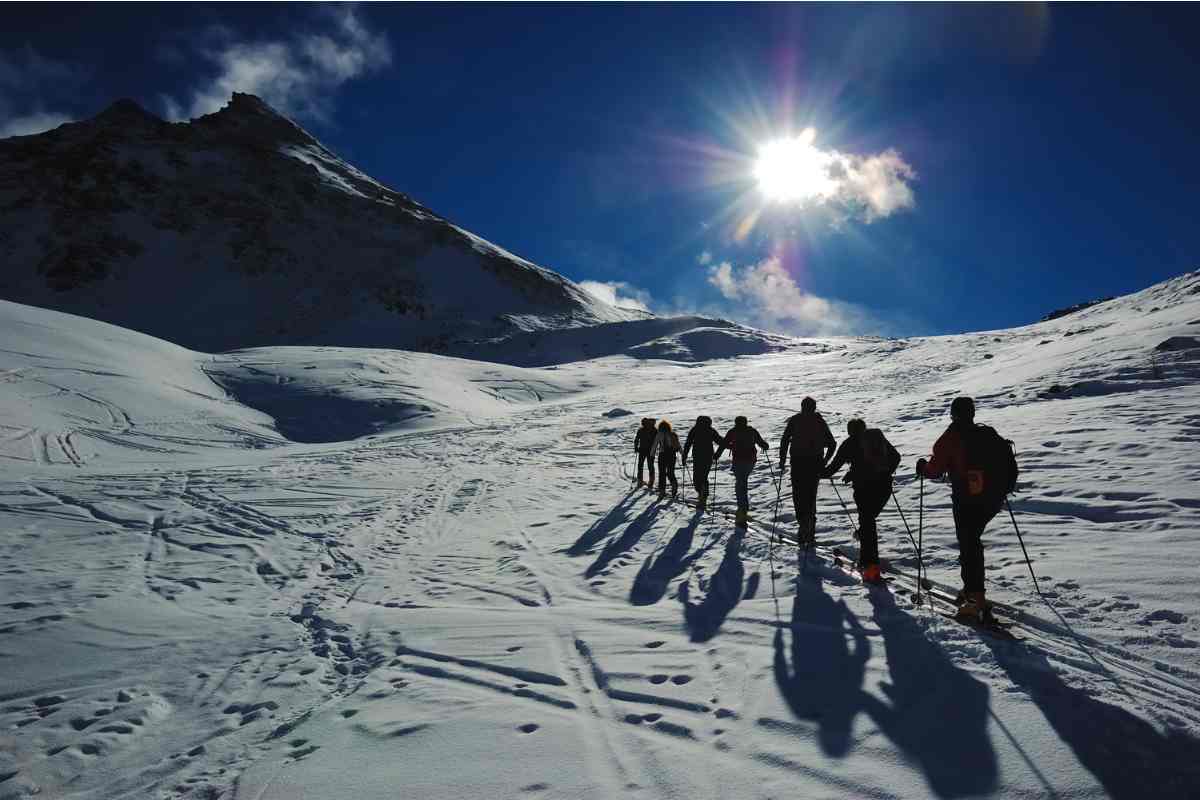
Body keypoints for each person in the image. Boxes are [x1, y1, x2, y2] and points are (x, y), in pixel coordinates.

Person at [916, 396, 1018, 622]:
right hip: (992, 498)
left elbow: (935, 470)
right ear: (972, 413)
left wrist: (923, 467)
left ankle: (975, 598)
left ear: (953, 414)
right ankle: (971, 590)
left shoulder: (951, 438)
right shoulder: (987, 434)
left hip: (967, 499)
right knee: (971, 541)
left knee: (969, 544)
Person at [822, 419, 901, 583]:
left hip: (864, 489)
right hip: (884, 487)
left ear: (850, 431)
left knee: (867, 523)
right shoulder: (877, 438)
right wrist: (886, 472)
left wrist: (817, 472)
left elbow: (833, 467)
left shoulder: (849, 443)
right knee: (868, 521)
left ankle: (870, 564)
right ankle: (868, 557)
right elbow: (896, 457)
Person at [779, 397, 836, 543]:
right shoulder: (819, 421)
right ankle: (809, 529)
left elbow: (785, 439)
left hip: (798, 463)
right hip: (815, 463)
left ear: (802, 406)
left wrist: (782, 459)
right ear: (814, 407)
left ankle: (803, 526)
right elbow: (832, 443)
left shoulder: (795, 420)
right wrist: (824, 461)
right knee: (811, 496)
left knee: (798, 495)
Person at [714, 415, 769, 527]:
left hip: (738, 461)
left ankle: (742, 511)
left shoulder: (733, 431)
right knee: (743, 482)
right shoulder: (751, 431)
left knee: (740, 484)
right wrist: (765, 446)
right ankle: (743, 509)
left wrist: (716, 455)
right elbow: (761, 442)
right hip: (750, 461)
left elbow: (724, 444)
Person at [682, 415, 722, 511]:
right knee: (703, 476)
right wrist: (730, 445)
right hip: (708, 456)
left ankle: (702, 496)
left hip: (698, 456)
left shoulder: (695, 430)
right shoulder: (710, 430)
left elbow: (688, 443)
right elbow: (720, 441)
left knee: (697, 476)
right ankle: (703, 497)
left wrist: (684, 456)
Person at [650, 419, 682, 499]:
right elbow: (678, 445)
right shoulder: (673, 434)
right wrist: (683, 454)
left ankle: (662, 491)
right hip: (672, 455)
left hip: (662, 455)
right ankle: (674, 485)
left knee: (662, 473)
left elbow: (654, 445)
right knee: (671, 472)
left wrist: (652, 455)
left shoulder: (659, 434)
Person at [633, 417, 657, 488]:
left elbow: (636, 439)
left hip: (642, 450)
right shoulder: (654, 430)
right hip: (651, 450)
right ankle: (651, 481)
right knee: (650, 466)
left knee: (640, 465)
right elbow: (657, 440)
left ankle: (640, 481)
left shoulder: (641, 430)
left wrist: (636, 448)